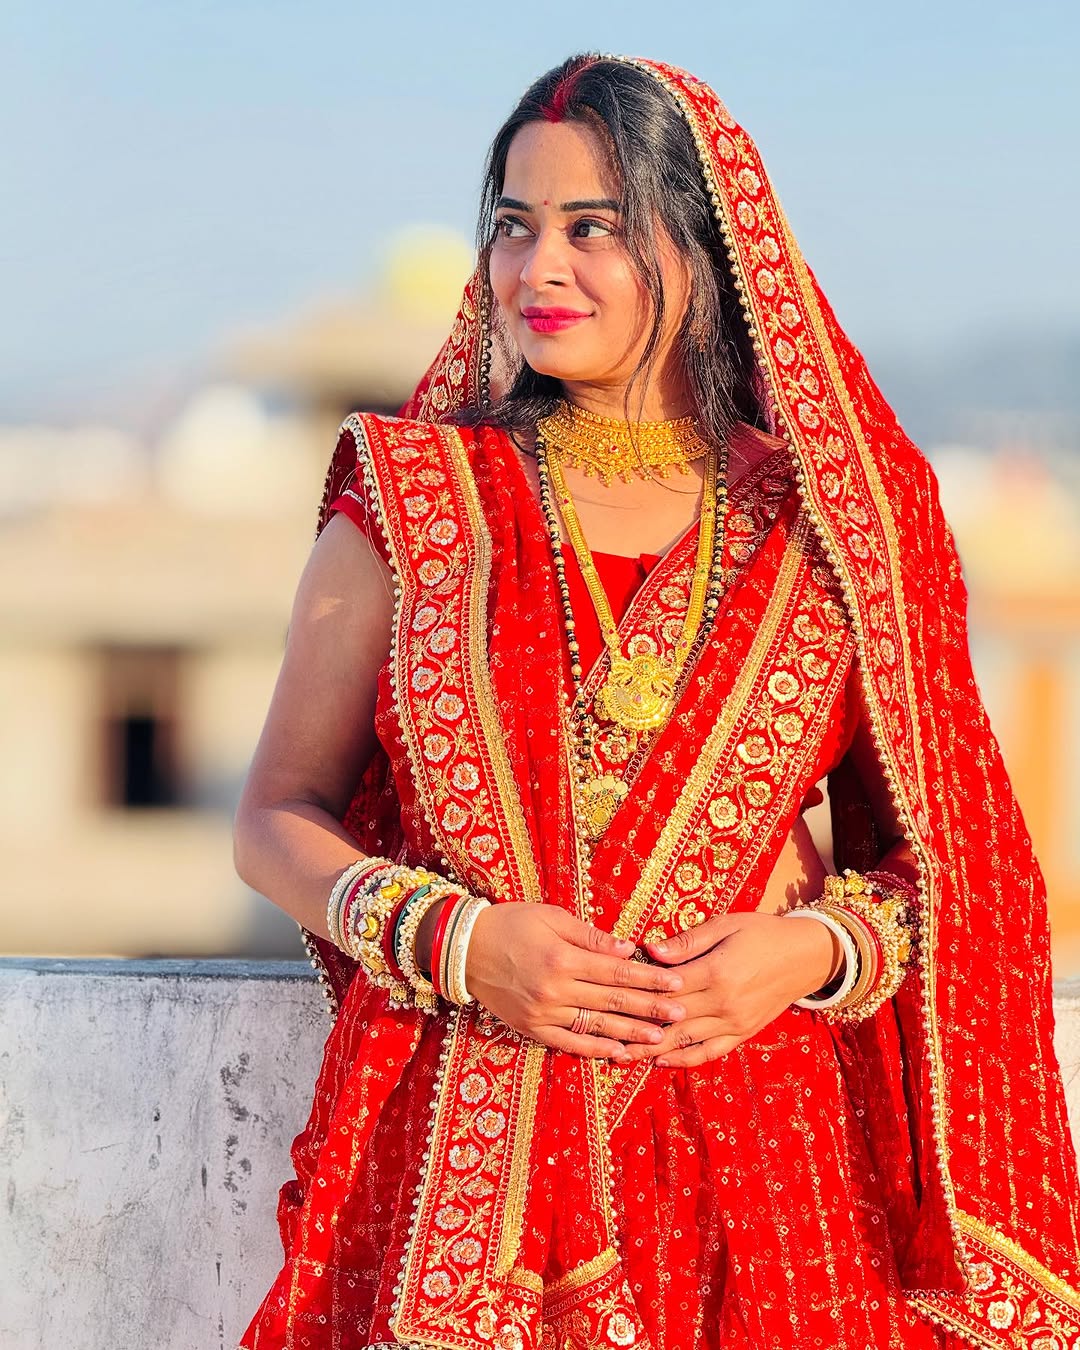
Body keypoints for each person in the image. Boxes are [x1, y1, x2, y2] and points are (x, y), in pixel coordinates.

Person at [233, 54, 1080, 1350]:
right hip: (467, 1164)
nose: (537, 271)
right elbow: (276, 814)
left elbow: (957, 873)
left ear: (701, 244)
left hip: (773, 1177)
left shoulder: (837, 532)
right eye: (511, 227)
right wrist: (461, 942)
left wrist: (802, 951)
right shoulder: (416, 503)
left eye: (594, 228)